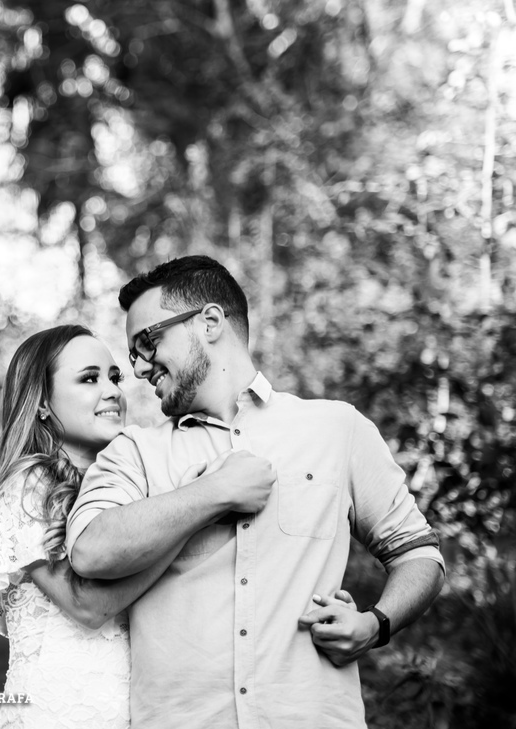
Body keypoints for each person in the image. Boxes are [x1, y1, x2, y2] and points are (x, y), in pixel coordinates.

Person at [66, 255, 445, 729]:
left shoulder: (336, 428)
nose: (140, 368)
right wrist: (211, 494)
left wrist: (375, 624)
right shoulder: (134, 451)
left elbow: (419, 555)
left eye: (148, 342)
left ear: (209, 322)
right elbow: (90, 552)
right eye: (134, 355)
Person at [0, 325, 274, 729]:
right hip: (60, 712)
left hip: (136, 710)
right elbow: (88, 605)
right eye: (89, 379)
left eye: (114, 378)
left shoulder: (127, 485)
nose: (112, 391)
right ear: (41, 403)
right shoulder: (28, 486)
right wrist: (196, 511)